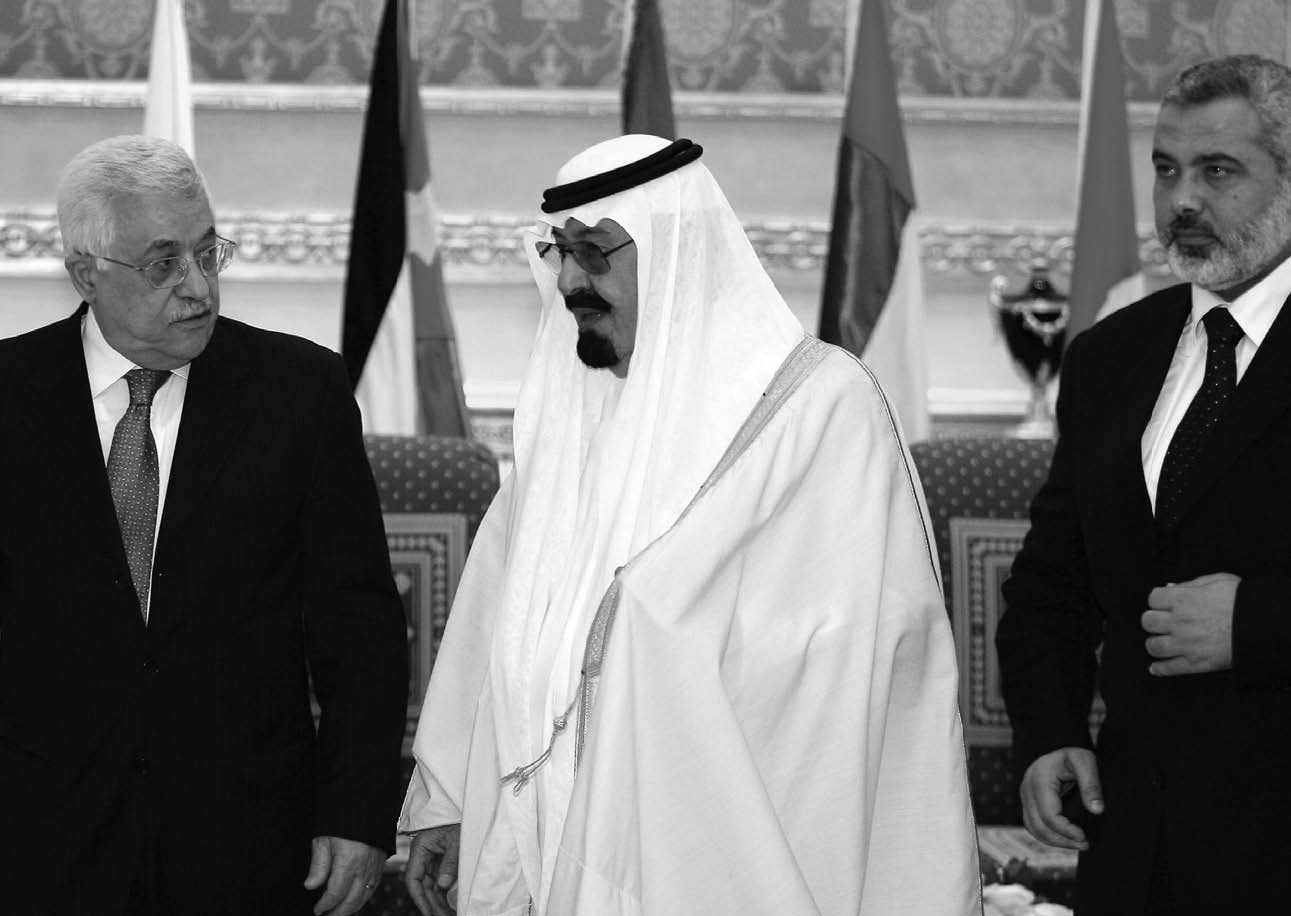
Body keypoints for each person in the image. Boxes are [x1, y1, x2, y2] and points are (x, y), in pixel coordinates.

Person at [398, 135, 979, 916]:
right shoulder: (574, 404)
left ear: (679, 250)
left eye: (597, 253)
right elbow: (496, 613)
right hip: (543, 824)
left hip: (729, 846)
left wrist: (655, 633)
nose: (571, 281)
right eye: (559, 252)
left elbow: (861, 650)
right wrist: (448, 795)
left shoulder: (817, 406)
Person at [0, 135, 409, 915]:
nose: (196, 286)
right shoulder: (8, 396)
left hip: (248, 841)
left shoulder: (300, 394)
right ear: (86, 273)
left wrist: (357, 815)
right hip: (38, 837)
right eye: (162, 263)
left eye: (207, 253)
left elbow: (358, 627)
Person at [997, 54, 1291, 915]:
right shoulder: (1108, 355)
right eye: (1165, 170)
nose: (1182, 201)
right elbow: (1052, 583)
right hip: (1134, 845)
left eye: (1217, 170)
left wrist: (1257, 623)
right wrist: (1046, 735)